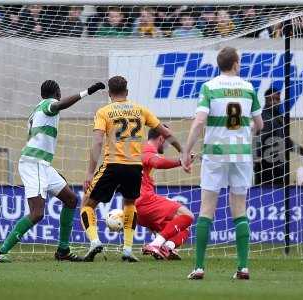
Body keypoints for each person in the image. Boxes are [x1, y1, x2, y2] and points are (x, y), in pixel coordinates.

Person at [0, 80, 105, 263]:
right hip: (33, 163)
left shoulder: (37, 108)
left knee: (71, 199)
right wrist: (87, 92)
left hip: (42, 165)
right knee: (37, 213)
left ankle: (63, 250)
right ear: (57, 93)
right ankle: (1, 252)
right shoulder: (47, 105)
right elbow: (60, 105)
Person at [181, 47, 264, 280]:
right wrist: (245, 131)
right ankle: (243, 267)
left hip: (215, 154)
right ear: (236, 64)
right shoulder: (248, 88)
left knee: (207, 208)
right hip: (242, 154)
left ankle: (198, 267)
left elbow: (199, 122)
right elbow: (260, 124)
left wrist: (187, 151)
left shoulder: (209, 87)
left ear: (219, 65)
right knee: (239, 208)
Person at [80, 76, 182, 262]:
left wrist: (89, 172)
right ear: (127, 92)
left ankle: (95, 242)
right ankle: (127, 249)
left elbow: (96, 142)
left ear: (110, 94)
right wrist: (182, 152)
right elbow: (166, 133)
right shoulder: (140, 110)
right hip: (135, 167)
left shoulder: (104, 112)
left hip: (112, 164)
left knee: (87, 204)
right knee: (129, 205)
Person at [137, 126, 194, 260]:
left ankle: (167, 247)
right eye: (167, 142)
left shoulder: (141, 150)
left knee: (184, 226)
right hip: (146, 202)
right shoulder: (147, 149)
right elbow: (156, 162)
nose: (168, 146)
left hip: (140, 208)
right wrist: (181, 161)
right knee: (188, 215)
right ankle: (155, 244)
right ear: (161, 138)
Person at [254, 87, 303, 185]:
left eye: (277, 99)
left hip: (280, 165)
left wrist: (302, 151)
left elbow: (286, 141)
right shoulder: (263, 117)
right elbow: (258, 139)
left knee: (281, 196)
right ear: (267, 100)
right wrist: (257, 159)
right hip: (266, 167)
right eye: (273, 99)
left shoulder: (280, 118)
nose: (276, 102)